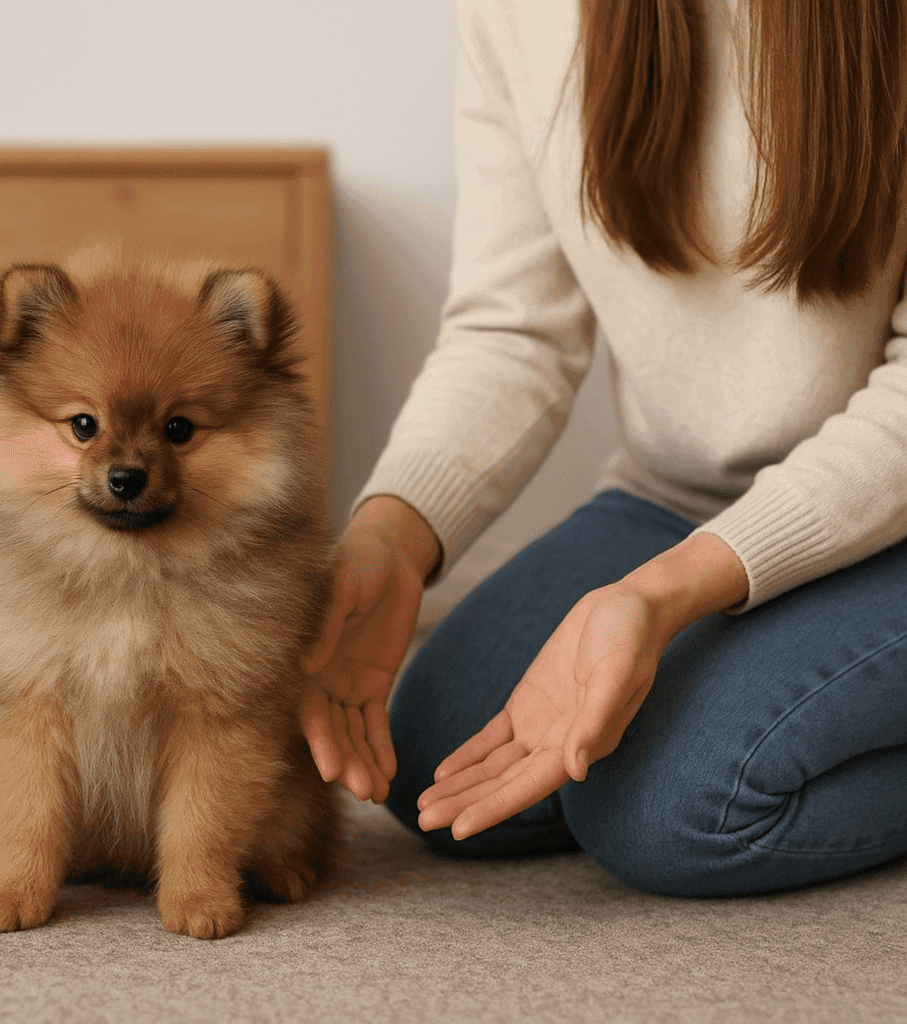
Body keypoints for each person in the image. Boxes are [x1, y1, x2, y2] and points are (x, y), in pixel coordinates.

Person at [302, 0, 907, 897]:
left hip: (891, 517)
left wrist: (664, 595)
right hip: (678, 497)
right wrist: (392, 536)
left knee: (667, 811)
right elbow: (513, 334)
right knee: (432, 757)